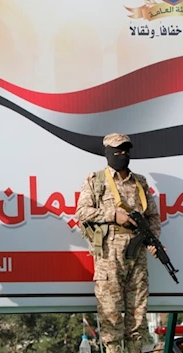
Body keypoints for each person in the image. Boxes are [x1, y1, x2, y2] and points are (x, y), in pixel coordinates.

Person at [75, 133, 162, 353]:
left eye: (125, 150)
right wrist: (113, 215)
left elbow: (153, 217)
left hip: (137, 256)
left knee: (137, 316)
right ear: (107, 152)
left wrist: (153, 240)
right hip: (108, 255)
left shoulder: (139, 182)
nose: (122, 154)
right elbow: (82, 212)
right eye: (117, 150)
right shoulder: (96, 180)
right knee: (111, 316)